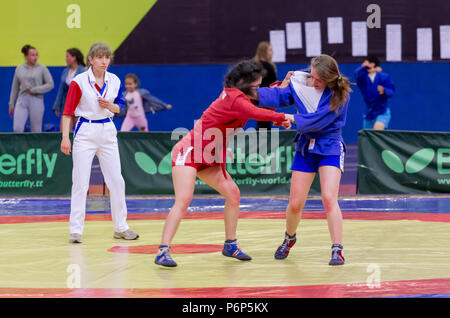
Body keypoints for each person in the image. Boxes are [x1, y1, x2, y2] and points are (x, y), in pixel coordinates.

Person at [154, 60, 293, 267]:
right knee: (183, 199)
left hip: (210, 157)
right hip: (190, 152)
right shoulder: (234, 98)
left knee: (233, 194)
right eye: (255, 85)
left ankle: (230, 244)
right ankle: (162, 250)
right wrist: (284, 116)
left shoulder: (242, 96)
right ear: (244, 82)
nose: (258, 89)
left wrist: (282, 87)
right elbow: (256, 113)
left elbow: (263, 102)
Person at [255, 54, 352, 265]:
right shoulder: (300, 81)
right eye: (314, 77)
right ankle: (289, 238)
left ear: (330, 78)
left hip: (329, 146)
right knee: (296, 203)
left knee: (328, 197)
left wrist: (289, 118)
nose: (315, 83)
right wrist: (249, 94)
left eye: (320, 80)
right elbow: (279, 97)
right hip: (305, 147)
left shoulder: (340, 94)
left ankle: (337, 248)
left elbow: (317, 122)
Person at [60, 42, 139, 244]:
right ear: (91, 60)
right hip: (85, 130)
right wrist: (65, 137)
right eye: (100, 58)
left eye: (107, 57)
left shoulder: (114, 80)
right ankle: (75, 230)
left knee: (116, 180)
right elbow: (68, 112)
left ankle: (121, 227)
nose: (105, 61)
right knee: (80, 182)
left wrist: (110, 105)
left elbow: (120, 107)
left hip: (107, 129)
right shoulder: (79, 81)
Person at [8, 44, 54, 132]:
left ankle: (36, 146)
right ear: (26, 56)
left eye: (36, 55)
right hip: (22, 100)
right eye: (32, 55)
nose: (35, 57)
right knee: (17, 128)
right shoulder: (19, 68)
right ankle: (19, 146)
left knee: (36, 129)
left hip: (37, 100)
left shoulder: (42, 68)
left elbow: (50, 84)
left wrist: (35, 90)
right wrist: (11, 104)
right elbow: (15, 88)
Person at [354, 55, 395, 130]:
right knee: (368, 138)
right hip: (369, 114)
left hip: (382, 112)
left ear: (374, 64)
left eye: (369, 63)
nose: (367, 65)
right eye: (365, 63)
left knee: (376, 132)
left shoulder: (383, 77)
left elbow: (391, 91)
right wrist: (364, 67)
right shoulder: (363, 78)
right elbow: (357, 73)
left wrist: (384, 90)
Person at [53, 48, 86, 131]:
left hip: (80, 107)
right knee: (64, 132)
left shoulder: (83, 71)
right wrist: (57, 106)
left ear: (74, 58)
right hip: (67, 106)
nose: (66, 59)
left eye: (67, 56)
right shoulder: (65, 71)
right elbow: (61, 90)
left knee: (81, 133)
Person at [253, 41, 277, 131]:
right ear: (264, 51)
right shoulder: (268, 66)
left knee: (262, 120)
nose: (272, 52)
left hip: (256, 97)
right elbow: (273, 84)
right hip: (266, 97)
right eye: (270, 50)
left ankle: (262, 141)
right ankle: (264, 142)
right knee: (265, 121)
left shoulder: (254, 64)